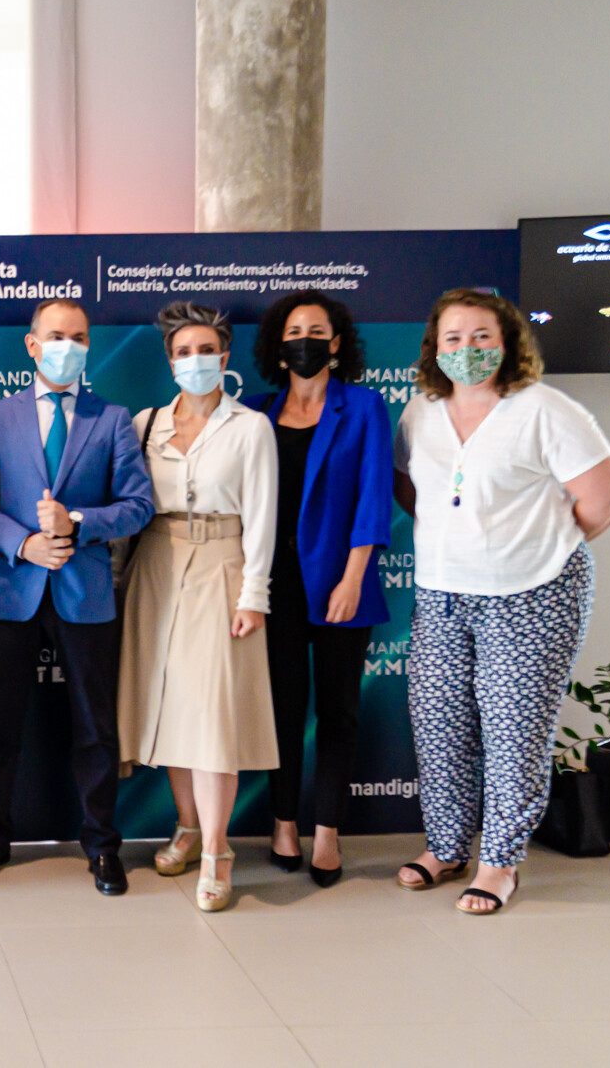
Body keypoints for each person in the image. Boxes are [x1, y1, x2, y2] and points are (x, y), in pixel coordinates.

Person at [393, 288, 610, 915]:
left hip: (531, 596)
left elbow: (604, 499)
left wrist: (538, 545)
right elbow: (412, 491)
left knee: (513, 730)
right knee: (438, 723)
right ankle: (445, 848)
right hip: (442, 593)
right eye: (453, 339)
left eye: (480, 337)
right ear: (434, 349)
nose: (466, 350)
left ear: (507, 342)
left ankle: (500, 862)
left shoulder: (545, 410)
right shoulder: (419, 413)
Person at [0, 299, 153, 895]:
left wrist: (75, 522)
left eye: (78, 336)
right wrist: (23, 544)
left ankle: (101, 845)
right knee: (1, 725)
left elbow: (138, 504)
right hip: (14, 592)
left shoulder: (113, 418)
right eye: (56, 335)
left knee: (95, 726)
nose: (67, 345)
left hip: (85, 592)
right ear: (32, 344)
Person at [117, 302, 277, 913]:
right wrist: (117, 582)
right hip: (155, 565)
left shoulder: (249, 427)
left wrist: (254, 595)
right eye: (183, 352)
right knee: (171, 708)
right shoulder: (146, 423)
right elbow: (132, 512)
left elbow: (262, 515)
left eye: (205, 350)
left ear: (225, 357)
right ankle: (185, 826)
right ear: (169, 359)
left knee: (211, 714)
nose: (194, 361)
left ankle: (217, 850)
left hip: (221, 564)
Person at [243, 291, 392, 887]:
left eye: (317, 330)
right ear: (279, 347)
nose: (305, 339)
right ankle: (283, 823)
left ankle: (327, 832)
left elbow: (374, 498)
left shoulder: (363, 406)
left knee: (338, 713)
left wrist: (353, 578)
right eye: (293, 330)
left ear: (336, 343)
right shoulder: (255, 412)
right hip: (273, 588)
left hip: (339, 585)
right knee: (280, 708)